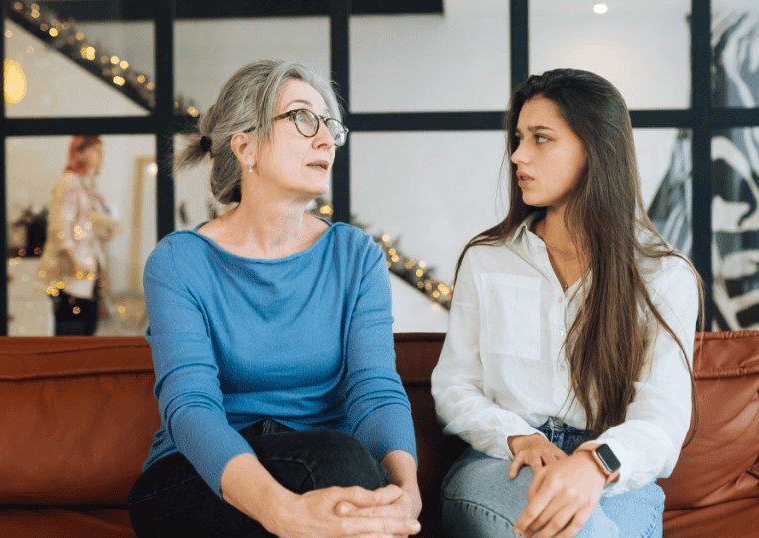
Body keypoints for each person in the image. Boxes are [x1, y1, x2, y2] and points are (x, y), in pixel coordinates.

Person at [126, 59, 422, 538]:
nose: (326, 139)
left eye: (330, 125)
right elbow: (190, 407)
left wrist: (406, 489)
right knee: (343, 462)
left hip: (330, 474)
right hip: (198, 481)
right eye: (304, 118)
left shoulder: (356, 256)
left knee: (353, 472)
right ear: (245, 146)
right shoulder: (179, 261)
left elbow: (375, 389)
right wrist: (281, 511)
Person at [431, 68, 702, 538]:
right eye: (518, 139)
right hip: (502, 462)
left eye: (541, 138)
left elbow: (663, 417)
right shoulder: (487, 259)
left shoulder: (665, 275)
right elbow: (454, 387)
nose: (517, 155)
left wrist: (596, 463)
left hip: (615, 476)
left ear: (595, 149)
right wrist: (516, 435)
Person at [38, 135, 117, 336]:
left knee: (87, 329)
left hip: (88, 275)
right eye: (96, 150)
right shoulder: (69, 183)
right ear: (81, 153)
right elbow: (60, 226)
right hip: (72, 275)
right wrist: (74, 259)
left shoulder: (88, 186)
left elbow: (90, 226)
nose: (101, 156)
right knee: (72, 331)